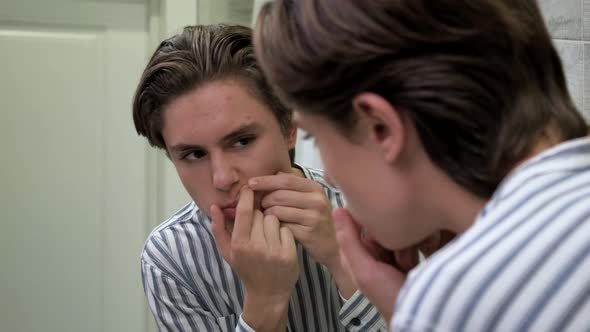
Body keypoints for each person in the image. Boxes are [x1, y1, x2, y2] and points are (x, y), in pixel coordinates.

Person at [254, 0, 590, 331]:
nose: (328, 175)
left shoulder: (458, 295)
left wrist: (424, 310)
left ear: (381, 128)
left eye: (315, 137)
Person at [133, 24, 390, 331]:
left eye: (241, 141)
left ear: (289, 127)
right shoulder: (171, 258)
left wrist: (344, 263)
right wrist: (265, 301)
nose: (222, 178)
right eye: (194, 154)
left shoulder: (369, 211)